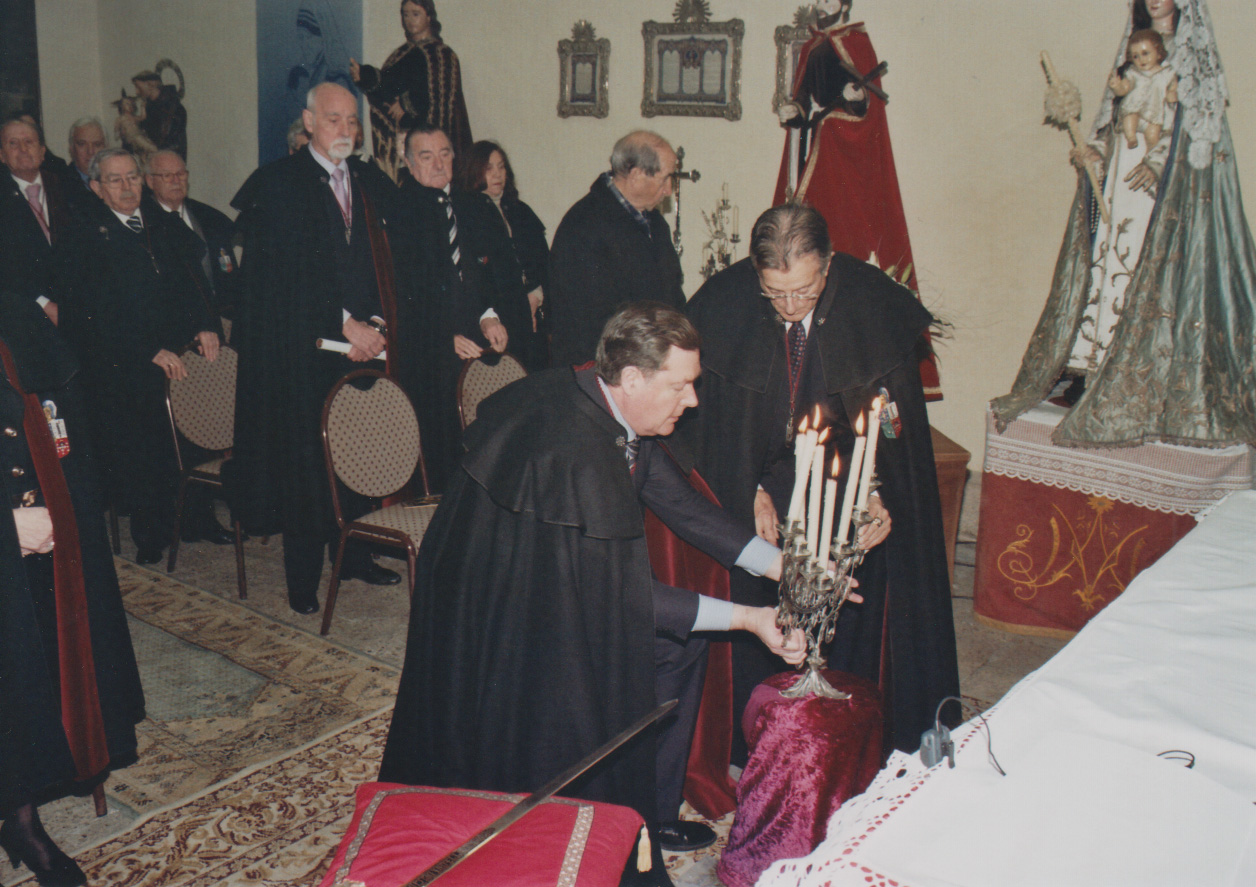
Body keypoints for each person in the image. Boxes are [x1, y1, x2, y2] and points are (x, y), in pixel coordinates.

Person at [380, 304, 807, 882]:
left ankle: (646, 820)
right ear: (632, 378)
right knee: (589, 705)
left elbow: (683, 507)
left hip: (552, 583)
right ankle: (598, 829)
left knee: (681, 648)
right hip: (503, 606)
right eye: (680, 386)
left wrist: (785, 567)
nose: (692, 400)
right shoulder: (577, 453)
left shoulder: (610, 404)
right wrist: (750, 618)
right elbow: (625, 599)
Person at [680, 204, 958, 757]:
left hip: (845, 482)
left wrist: (877, 493)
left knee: (860, 606)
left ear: (828, 265)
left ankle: (851, 733)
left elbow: (890, 435)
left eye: (804, 292)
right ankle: (754, 740)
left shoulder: (872, 307)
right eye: (774, 293)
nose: (789, 307)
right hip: (756, 489)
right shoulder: (723, 306)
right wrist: (748, 490)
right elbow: (709, 432)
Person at [993, 0, 1256, 448]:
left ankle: (1144, 380)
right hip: (1121, 177)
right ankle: (1095, 368)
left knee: (1142, 265)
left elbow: (1190, 129)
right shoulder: (1132, 53)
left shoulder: (1189, 58)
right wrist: (1094, 151)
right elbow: (1115, 119)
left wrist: (1158, 161)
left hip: (1162, 186)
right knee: (1111, 262)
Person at [228, 82, 402, 615]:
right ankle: (303, 580)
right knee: (307, 470)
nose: (345, 130)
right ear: (308, 122)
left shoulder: (369, 182)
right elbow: (277, 280)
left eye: (352, 120)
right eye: (333, 119)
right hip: (302, 352)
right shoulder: (277, 184)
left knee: (359, 453)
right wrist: (344, 324)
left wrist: (374, 324)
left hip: (364, 347)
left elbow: (387, 263)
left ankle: (354, 555)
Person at [0, 292, 145, 887]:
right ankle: (23, 820)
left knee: (32, 672)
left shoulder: (14, 307)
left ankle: (19, 813)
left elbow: (61, 416)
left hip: (43, 526)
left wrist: (60, 506)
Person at [53, 148, 221, 566]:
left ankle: (198, 519)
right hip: (123, 362)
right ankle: (151, 533)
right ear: (97, 188)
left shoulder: (163, 224)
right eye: (115, 180)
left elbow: (194, 282)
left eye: (132, 177)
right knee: (144, 449)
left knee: (192, 435)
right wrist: (146, 350)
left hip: (177, 353)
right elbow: (88, 314)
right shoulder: (83, 236)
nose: (127, 187)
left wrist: (205, 325)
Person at [773, 6, 942, 400]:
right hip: (815, 150)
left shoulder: (857, 42)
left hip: (841, 159)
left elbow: (867, 113)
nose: (822, 4)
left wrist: (857, 100)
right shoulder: (812, 47)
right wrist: (794, 111)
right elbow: (804, 105)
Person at [389, 125, 521, 492]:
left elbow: (487, 276)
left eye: (445, 154)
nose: (438, 164)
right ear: (408, 163)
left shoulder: (473, 206)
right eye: (426, 156)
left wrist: (489, 316)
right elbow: (401, 293)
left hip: (476, 347)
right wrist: (443, 337)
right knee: (442, 458)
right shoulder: (398, 212)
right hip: (429, 352)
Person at [548, 131, 684, 367]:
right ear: (636, 175)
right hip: (607, 366)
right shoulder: (584, 225)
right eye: (665, 179)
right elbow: (592, 320)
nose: (669, 190)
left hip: (651, 358)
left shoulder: (654, 223)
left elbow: (672, 293)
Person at [350, 0, 472, 183]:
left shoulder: (442, 55)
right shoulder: (401, 54)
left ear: (429, 16)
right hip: (404, 144)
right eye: (405, 14)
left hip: (430, 139)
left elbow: (440, 99)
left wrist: (407, 104)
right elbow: (387, 84)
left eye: (416, 14)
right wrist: (364, 75)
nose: (409, 20)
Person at [457, 139, 550, 369]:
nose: (497, 174)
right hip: (495, 317)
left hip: (532, 313)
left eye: (501, 167)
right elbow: (477, 272)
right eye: (489, 168)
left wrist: (536, 294)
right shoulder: (466, 212)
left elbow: (542, 261)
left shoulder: (519, 210)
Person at [145, 150, 240, 319]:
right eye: (167, 175)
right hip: (172, 321)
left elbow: (230, 275)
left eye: (180, 174)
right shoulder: (144, 223)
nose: (176, 180)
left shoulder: (210, 218)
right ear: (150, 181)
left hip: (219, 316)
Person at [0, 116, 74, 325]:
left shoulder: (67, 187)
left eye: (29, 142)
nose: (23, 149)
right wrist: (43, 304)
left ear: (42, 152)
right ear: (2, 155)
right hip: (25, 311)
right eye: (13, 143)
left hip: (76, 305)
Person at [1109, 29, 1177, 152]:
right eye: (1136, 56)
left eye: (1145, 53)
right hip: (1134, 108)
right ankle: (1131, 138)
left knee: (1153, 135)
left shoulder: (1167, 73)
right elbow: (1124, 89)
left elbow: (1173, 86)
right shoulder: (1133, 73)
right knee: (1129, 119)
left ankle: (1151, 153)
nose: (1141, 59)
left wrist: (1172, 93)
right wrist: (1116, 86)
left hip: (1154, 113)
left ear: (1158, 53)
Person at [65, 119, 107, 191]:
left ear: (106, 148)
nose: (90, 152)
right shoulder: (60, 184)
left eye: (97, 144)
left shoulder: (117, 179)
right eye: (82, 144)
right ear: (72, 148)